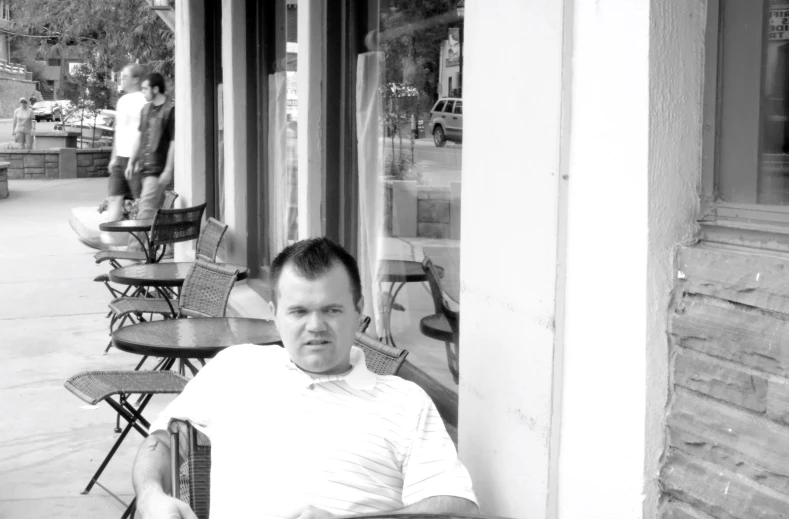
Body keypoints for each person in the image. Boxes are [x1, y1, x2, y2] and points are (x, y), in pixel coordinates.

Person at [132, 238, 479, 519]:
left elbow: (457, 509)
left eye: (332, 309)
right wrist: (151, 496)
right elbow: (161, 440)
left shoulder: (404, 401)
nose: (315, 326)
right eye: (299, 311)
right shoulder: (235, 367)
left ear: (359, 311)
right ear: (275, 315)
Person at [103, 64, 147, 243]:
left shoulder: (144, 101)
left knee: (139, 200)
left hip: (135, 158)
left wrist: (138, 158)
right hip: (120, 157)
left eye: (125, 76)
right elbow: (118, 131)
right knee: (114, 197)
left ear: (136, 79)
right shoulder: (122, 101)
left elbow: (144, 132)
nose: (121, 79)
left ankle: (142, 243)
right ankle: (108, 238)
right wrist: (114, 157)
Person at [126, 72, 175, 228]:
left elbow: (174, 142)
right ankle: (168, 249)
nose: (142, 92)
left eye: (145, 89)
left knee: (145, 210)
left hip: (158, 170)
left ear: (155, 89)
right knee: (160, 212)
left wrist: (168, 170)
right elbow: (140, 137)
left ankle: (134, 250)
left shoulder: (170, 110)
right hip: (144, 169)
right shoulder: (145, 109)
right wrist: (131, 161)